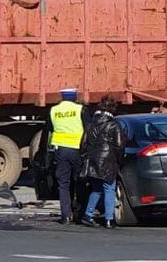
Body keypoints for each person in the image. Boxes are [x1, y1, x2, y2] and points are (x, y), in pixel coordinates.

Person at [79, 95, 126, 227]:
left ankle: (88, 215)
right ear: (113, 108)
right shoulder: (113, 125)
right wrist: (119, 160)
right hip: (108, 160)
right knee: (109, 188)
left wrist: (86, 158)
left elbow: (83, 145)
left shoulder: (91, 124)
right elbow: (119, 145)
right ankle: (109, 218)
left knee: (97, 188)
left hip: (93, 160)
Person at [49, 87, 85, 224]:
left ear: (63, 97)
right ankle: (79, 213)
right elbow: (88, 129)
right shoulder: (80, 109)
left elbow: (51, 129)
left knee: (63, 183)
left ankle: (65, 216)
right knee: (79, 181)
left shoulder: (54, 110)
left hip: (61, 150)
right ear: (74, 97)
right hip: (77, 149)